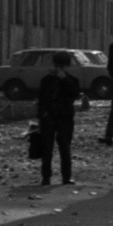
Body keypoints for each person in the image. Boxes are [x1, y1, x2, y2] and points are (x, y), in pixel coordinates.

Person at [36, 50, 83, 186]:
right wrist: (41, 115)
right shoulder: (46, 80)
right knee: (47, 148)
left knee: (65, 147)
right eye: (58, 66)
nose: (60, 69)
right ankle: (46, 177)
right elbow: (42, 98)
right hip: (49, 117)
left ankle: (66, 176)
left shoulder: (72, 80)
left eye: (63, 67)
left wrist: (64, 79)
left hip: (65, 117)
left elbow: (74, 94)